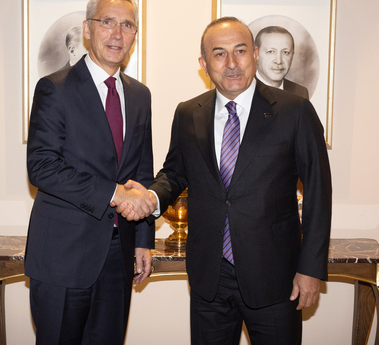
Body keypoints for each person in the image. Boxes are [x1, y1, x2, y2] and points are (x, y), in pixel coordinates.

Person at [123, 17, 332, 344]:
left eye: (241, 51)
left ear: (256, 54)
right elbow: (175, 173)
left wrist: (311, 269)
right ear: (204, 64)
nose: (232, 63)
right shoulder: (189, 113)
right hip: (210, 276)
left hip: (276, 276)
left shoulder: (295, 111)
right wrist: (151, 197)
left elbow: (319, 193)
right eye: (219, 54)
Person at [25, 0, 157, 345]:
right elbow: (42, 167)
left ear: (134, 35)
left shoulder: (140, 95)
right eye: (107, 22)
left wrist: (144, 241)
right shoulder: (55, 88)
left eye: (127, 25)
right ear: (87, 29)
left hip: (119, 254)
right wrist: (115, 193)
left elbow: (142, 172)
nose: (117, 33)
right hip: (63, 256)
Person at [254, 25, 309, 99]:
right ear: (256, 54)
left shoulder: (300, 92)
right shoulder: (243, 89)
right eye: (271, 52)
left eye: (285, 52)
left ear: (292, 55)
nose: (278, 61)